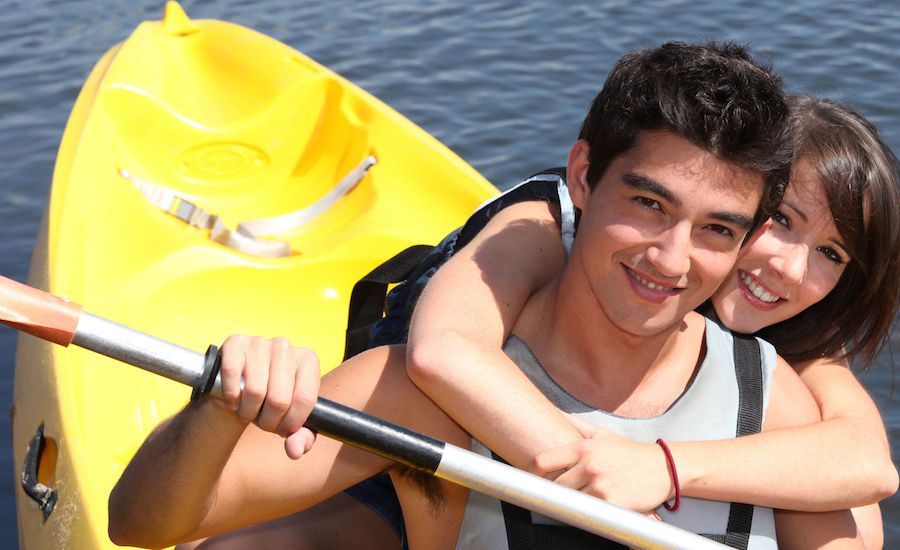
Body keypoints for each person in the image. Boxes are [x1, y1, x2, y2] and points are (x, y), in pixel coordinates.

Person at [108, 42, 861, 549]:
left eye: (716, 231)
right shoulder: (422, 392)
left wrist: (664, 470)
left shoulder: (769, 404)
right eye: (649, 205)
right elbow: (144, 523)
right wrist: (215, 406)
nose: (671, 260)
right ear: (582, 177)